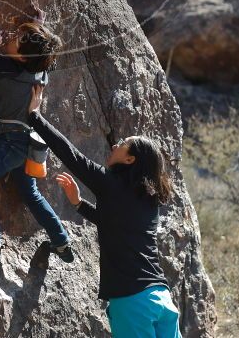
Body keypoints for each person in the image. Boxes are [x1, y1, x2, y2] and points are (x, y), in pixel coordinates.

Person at [27, 84, 181, 337]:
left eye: (122, 144)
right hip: (162, 299)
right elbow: (114, 225)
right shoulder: (149, 200)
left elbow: (70, 153)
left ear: (130, 160)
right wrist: (78, 204)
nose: (114, 147)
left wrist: (35, 117)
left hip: (133, 302)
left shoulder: (109, 183)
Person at [0, 17, 74, 264]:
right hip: (31, 141)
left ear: (23, 58)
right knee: (29, 192)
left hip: (14, 142)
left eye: (17, 40)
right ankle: (61, 240)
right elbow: (47, 56)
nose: (11, 38)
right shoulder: (41, 69)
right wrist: (38, 27)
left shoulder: (11, 68)